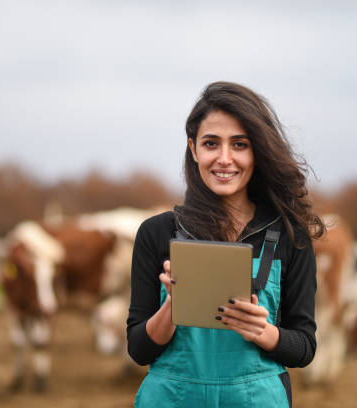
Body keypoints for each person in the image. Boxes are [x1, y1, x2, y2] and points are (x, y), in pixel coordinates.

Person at [127, 81, 324, 407]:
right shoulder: (156, 233)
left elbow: (304, 347)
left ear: (257, 151)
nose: (224, 158)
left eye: (240, 145)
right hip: (171, 398)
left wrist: (262, 330)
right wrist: (173, 307)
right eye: (211, 143)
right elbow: (139, 348)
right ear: (193, 149)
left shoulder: (290, 236)